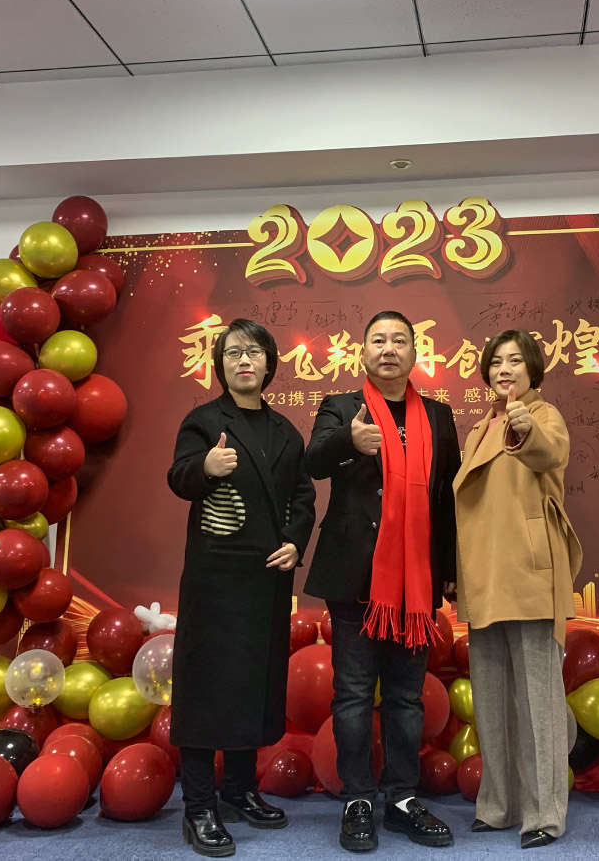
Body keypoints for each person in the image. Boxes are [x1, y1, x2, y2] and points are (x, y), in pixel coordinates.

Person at [304, 310, 461, 852]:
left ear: (415, 353)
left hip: (416, 579)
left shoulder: (438, 416)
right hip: (355, 576)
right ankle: (358, 800)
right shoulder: (341, 406)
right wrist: (349, 442)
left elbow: (447, 499)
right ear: (363, 352)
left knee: (405, 697)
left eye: (399, 340)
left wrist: (448, 572)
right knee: (351, 695)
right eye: (378, 340)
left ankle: (400, 799)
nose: (388, 349)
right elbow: (313, 461)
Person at [167, 318, 316, 858]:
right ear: (220, 364)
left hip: (267, 578)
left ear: (269, 364)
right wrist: (205, 467)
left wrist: (295, 541)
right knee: (206, 687)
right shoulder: (204, 421)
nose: (244, 360)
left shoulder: (286, 431)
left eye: (253, 352)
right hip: (215, 577)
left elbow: (303, 496)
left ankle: (238, 790)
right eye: (233, 353)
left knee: (252, 684)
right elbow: (178, 477)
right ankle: (198, 806)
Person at [451, 329, 582, 849]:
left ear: (532, 370)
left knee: (539, 698)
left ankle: (544, 813)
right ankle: (498, 805)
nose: (504, 370)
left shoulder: (542, 416)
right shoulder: (479, 428)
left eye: (514, 361)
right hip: (483, 573)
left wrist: (525, 428)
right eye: (496, 362)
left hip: (529, 571)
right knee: (490, 697)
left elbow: (549, 454)